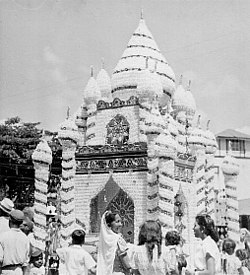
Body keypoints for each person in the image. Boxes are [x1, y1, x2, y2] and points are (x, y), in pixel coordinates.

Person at [97, 211, 132, 275]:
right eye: (117, 222)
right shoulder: (118, 239)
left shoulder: (104, 241)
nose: (120, 224)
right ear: (108, 224)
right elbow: (127, 264)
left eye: (121, 222)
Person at [0, 209, 30, 275]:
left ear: (10, 220)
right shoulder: (25, 238)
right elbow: (26, 262)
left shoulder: (3, 237)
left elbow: (0, 259)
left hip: (6, 271)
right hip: (19, 271)